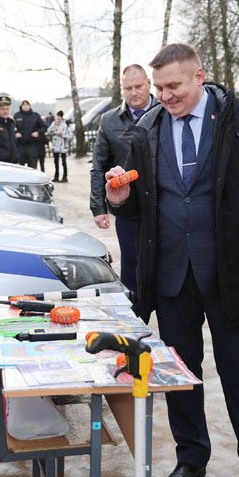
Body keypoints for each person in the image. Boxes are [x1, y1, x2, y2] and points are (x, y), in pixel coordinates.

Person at [106, 44, 239, 477]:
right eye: (159, 88)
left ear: (199, 76)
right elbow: (136, 203)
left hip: (229, 273)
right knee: (181, 372)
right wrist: (120, 201)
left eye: (173, 86)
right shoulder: (148, 127)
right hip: (172, 277)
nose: (165, 96)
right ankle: (191, 458)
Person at [90, 64, 157, 301]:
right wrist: (98, 207)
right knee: (131, 267)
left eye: (138, 86)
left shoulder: (166, 112)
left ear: (149, 83)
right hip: (127, 208)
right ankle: (134, 319)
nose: (134, 92)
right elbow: (99, 165)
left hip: (162, 206)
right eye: (128, 88)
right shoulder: (109, 121)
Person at [14, 100, 47, 169]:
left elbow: (44, 127)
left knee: (32, 166)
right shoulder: (17, 116)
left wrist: (38, 132)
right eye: (24, 105)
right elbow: (11, 128)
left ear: (30, 106)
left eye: (27, 105)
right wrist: (15, 133)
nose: (25, 106)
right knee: (19, 167)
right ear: (21, 106)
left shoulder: (35, 116)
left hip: (32, 145)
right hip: (20, 145)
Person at [49, 110, 74, 182]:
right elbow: (49, 131)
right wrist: (54, 125)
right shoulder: (53, 123)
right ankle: (56, 176)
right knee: (56, 162)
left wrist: (62, 135)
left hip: (63, 146)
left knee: (64, 162)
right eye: (57, 117)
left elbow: (70, 136)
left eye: (59, 118)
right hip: (55, 146)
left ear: (61, 117)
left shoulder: (66, 125)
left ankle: (65, 176)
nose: (58, 119)